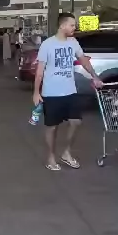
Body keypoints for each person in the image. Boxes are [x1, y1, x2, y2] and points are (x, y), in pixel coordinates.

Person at [33, 13, 102, 171]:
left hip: (70, 91)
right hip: (51, 93)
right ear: (62, 25)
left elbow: (83, 60)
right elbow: (39, 71)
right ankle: (51, 157)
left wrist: (95, 76)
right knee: (52, 127)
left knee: (76, 121)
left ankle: (66, 152)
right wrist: (36, 93)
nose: (74, 27)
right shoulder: (47, 45)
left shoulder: (73, 42)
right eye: (71, 25)